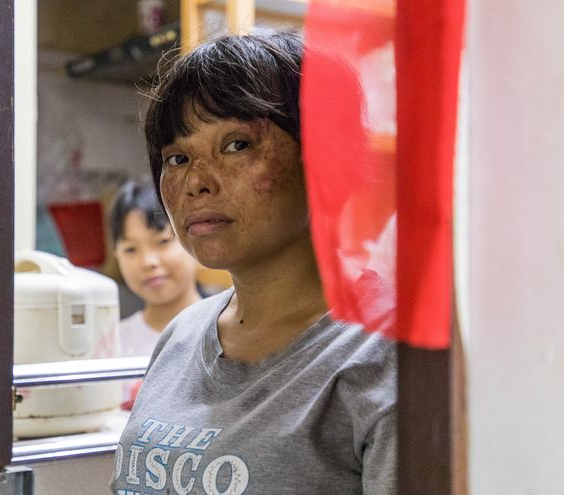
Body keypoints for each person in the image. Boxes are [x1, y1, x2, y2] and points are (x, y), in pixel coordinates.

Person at [112, 32, 396, 494]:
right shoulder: (182, 337)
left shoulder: (384, 355)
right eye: (178, 157)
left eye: (237, 145)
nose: (196, 182)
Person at [110, 180, 201, 358]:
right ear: (116, 255)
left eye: (163, 242)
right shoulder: (112, 345)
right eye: (130, 249)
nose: (148, 261)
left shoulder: (227, 334)